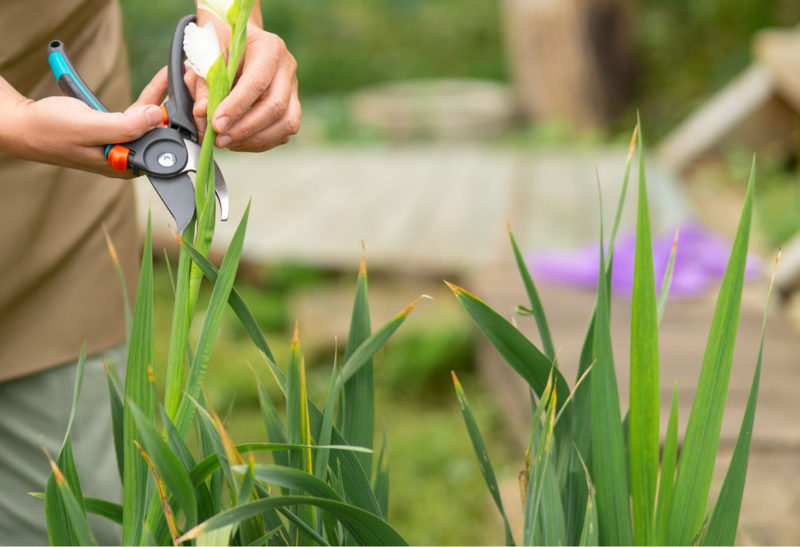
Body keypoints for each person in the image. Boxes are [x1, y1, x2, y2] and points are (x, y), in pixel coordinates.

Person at [0, 0, 300, 544]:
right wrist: (13, 119)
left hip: (63, 201)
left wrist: (231, 31)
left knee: (83, 519)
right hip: (40, 124)